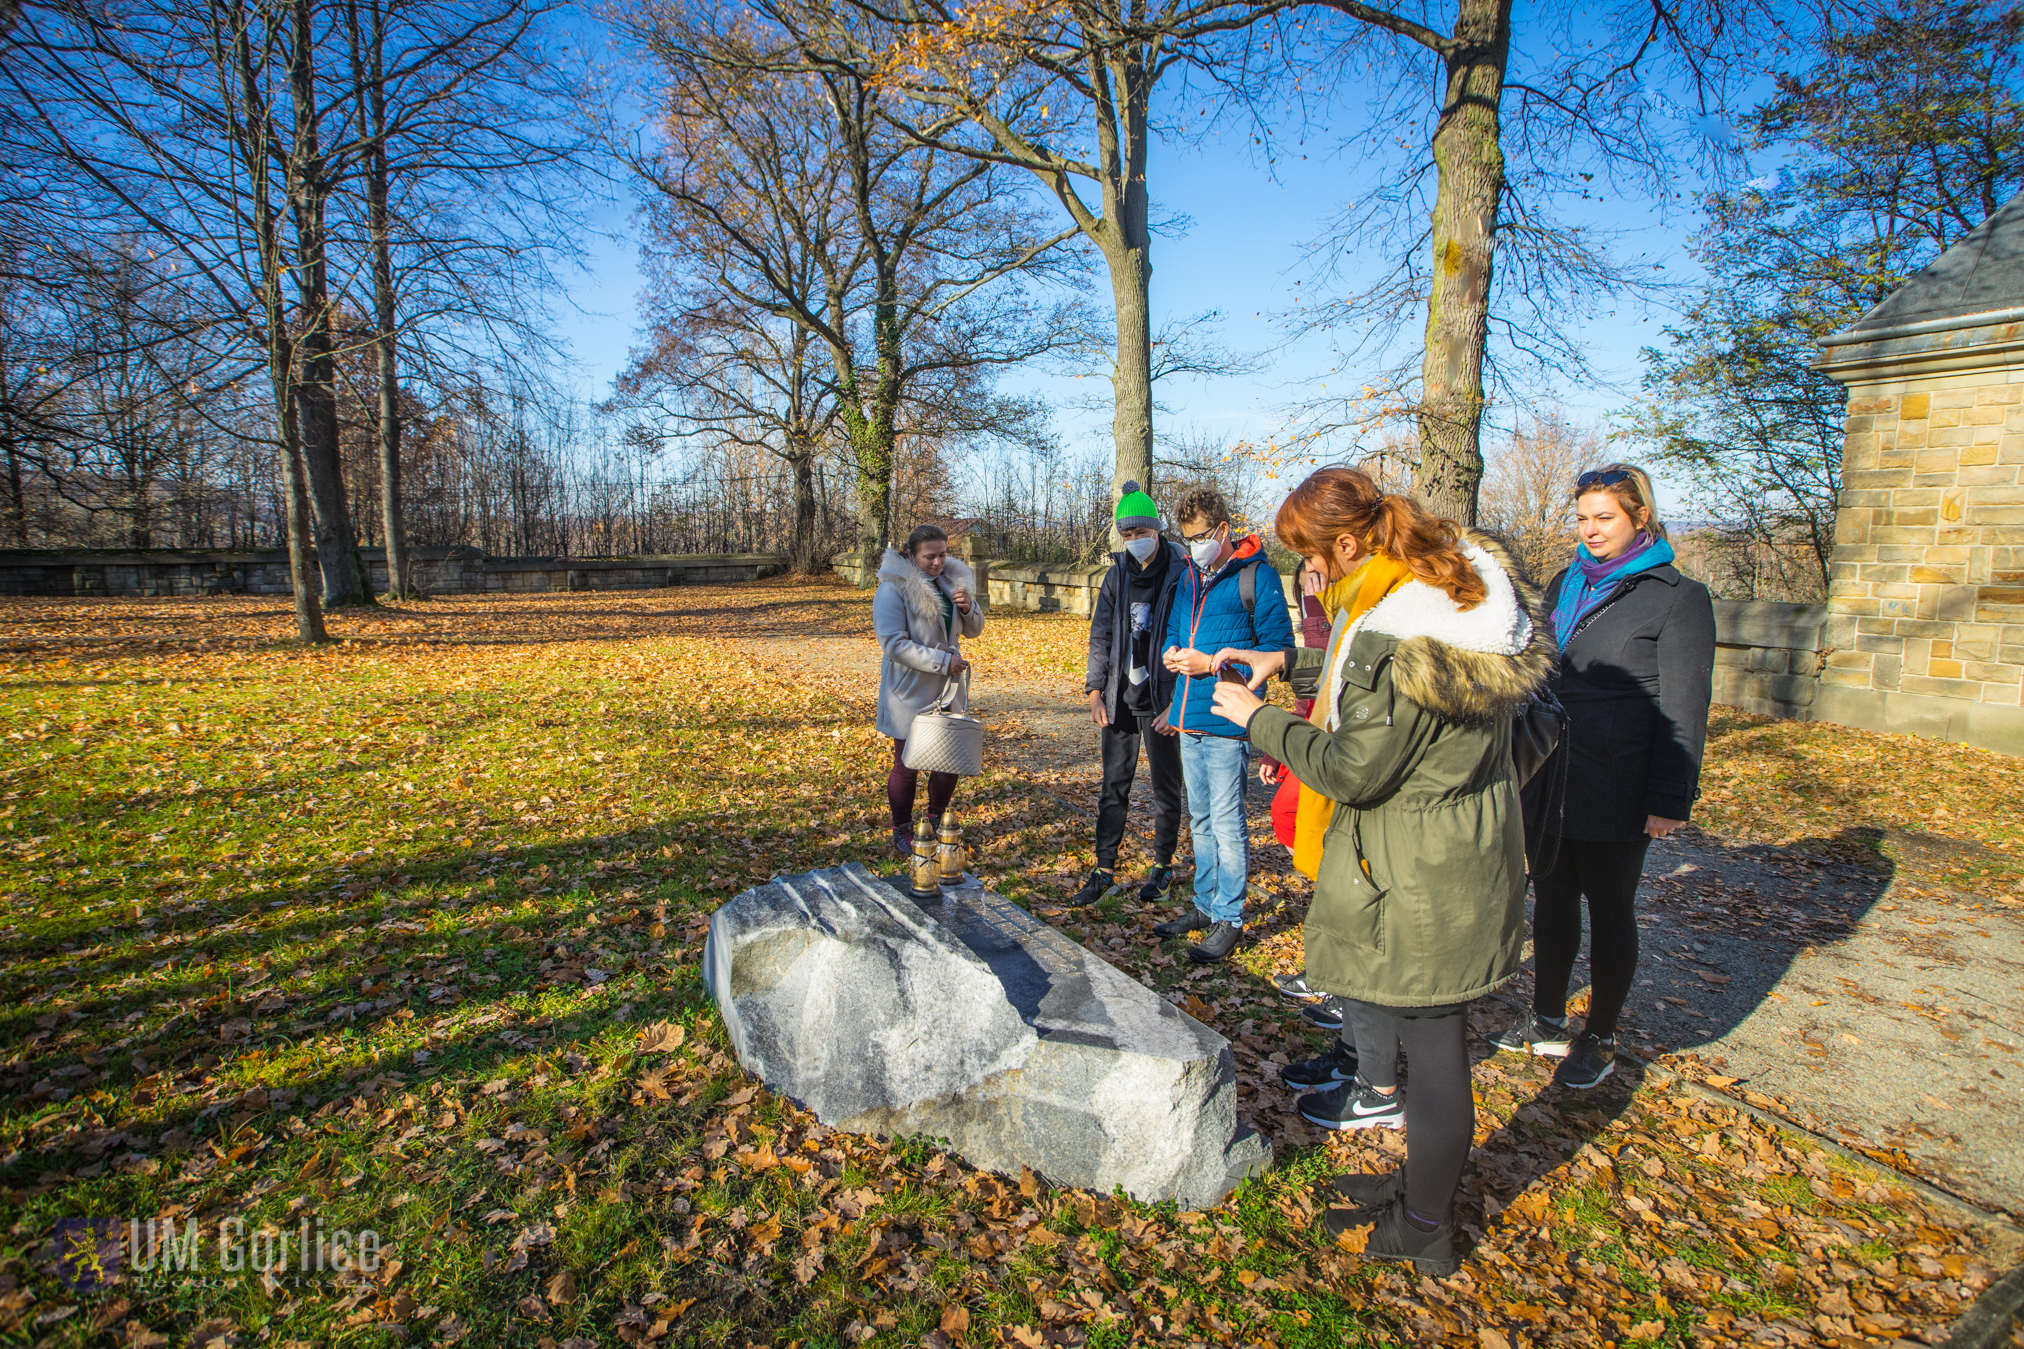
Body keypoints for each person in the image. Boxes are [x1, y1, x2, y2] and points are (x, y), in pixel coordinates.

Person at [1207, 466, 1553, 1276]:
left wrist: (1260, 722)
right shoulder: (1455, 599)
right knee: (1423, 1043)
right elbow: (1398, 730)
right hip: (1446, 852)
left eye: (1312, 556)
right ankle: (1414, 1189)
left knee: (1435, 1058)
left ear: (1351, 542)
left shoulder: (1397, 629)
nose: (1312, 576)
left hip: (1423, 873)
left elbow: (1358, 768)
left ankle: (1426, 1228)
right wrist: (1290, 688)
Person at [1493, 464, 1715, 1090]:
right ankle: (1546, 1017)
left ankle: (1602, 1036)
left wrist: (1671, 796)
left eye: (1605, 518)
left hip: (1618, 781)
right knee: (1553, 897)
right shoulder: (1567, 583)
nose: (1591, 530)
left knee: (1611, 908)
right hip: (1549, 773)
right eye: (1584, 518)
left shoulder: (1677, 597)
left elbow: (1685, 707)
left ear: (1640, 517)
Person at [1155, 487, 1294, 963]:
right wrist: (1172, 655)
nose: (1193, 545)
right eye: (1187, 537)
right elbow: (1174, 631)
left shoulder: (1258, 577)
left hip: (1228, 716)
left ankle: (1229, 917)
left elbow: (1276, 651)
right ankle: (1205, 904)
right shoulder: (1189, 576)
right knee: (1202, 819)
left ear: (1222, 531)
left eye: (1199, 537)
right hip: (1189, 715)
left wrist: (1210, 662)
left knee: (1229, 823)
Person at [1070, 482, 1187, 908]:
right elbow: (1100, 634)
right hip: (1121, 696)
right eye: (1127, 534)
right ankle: (1104, 869)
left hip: (1164, 700)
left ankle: (1162, 866)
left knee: (1165, 788)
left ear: (1158, 529)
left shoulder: (1182, 570)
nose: (1135, 540)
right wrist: (1095, 690)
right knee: (1113, 786)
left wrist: (1178, 702)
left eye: (1142, 532)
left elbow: (1191, 635)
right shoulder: (1117, 574)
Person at [874, 525, 987, 858]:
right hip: (908, 689)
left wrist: (968, 608)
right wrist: (941, 661)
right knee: (907, 763)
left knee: (948, 759)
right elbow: (893, 644)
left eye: (942, 554)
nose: (937, 562)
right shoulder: (892, 590)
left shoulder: (951, 583)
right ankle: (902, 830)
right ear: (911, 554)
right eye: (929, 556)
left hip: (949, 688)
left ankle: (937, 820)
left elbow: (975, 630)